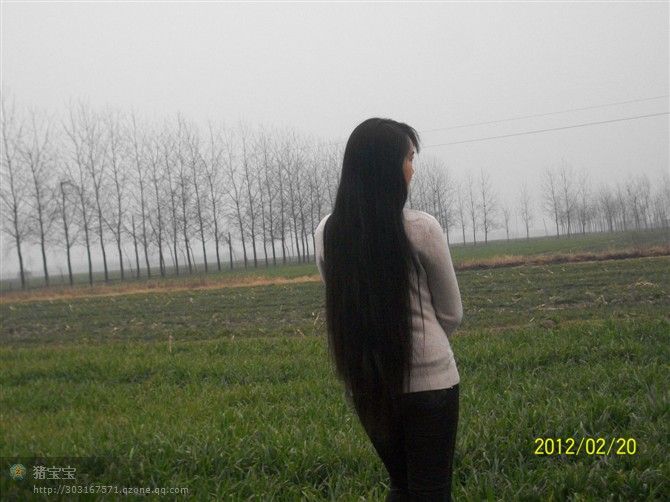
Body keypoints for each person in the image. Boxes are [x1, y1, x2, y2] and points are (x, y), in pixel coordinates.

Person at [314, 118, 464, 501]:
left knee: (401, 485)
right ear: (386, 167)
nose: (412, 168)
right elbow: (451, 313)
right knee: (431, 492)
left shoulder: (328, 233)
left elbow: (343, 303)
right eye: (409, 158)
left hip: (368, 382)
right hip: (430, 383)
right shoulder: (422, 229)